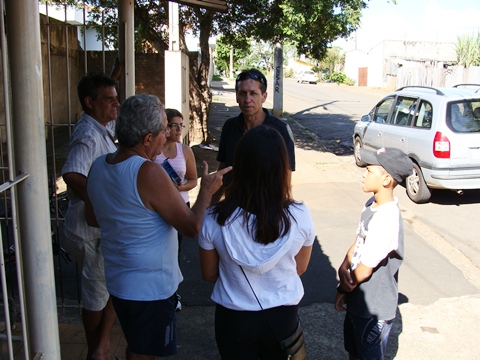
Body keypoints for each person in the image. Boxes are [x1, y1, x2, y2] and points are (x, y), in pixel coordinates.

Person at [85, 94, 231, 360]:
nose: (168, 135)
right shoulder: (149, 172)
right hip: (150, 291)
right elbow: (191, 227)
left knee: (136, 346)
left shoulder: (98, 167)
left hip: (118, 284)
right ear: (147, 139)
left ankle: (101, 347)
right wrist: (207, 190)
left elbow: (93, 218)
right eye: (164, 130)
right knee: (145, 354)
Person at [199, 125, 314, 359]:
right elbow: (299, 268)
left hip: (233, 317)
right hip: (282, 319)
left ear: (240, 165)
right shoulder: (300, 215)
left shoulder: (214, 217)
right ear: (282, 167)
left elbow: (209, 274)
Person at [335, 147, 413, 360]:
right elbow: (359, 241)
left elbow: (364, 270)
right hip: (358, 300)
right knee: (354, 351)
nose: (364, 174)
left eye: (369, 171)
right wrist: (344, 266)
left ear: (387, 179)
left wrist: (343, 287)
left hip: (374, 309)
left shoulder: (387, 218)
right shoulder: (371, 204)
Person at [62, 72, 120, 360]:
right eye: (108, 99)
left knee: (110, 287)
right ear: (89, 102)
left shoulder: (99, 128)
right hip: (89, 229)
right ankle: (96, 350)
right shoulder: (87, 134)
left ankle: (101, 346)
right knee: (97, 295)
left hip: (97, 227)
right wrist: (102, 204)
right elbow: (72, 173)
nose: (116, 104)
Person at [214, 68, 295, 202]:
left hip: (266, 209)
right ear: (236, 97)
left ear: (264, 97)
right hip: (233, 209)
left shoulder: (281, 130)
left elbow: (286, 175)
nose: (247, 99)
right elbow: (223, 169)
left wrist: (279, 212)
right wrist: (209, 208)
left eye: (253, 93)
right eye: (242, 93)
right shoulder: (230, 127)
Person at [154, 108, 198, 311]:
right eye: (174, 125)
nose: (179, 129)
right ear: (165, 128)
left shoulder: (185, 151)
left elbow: (192, 180)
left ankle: (173, 293)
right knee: (157, 249)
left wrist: (178, 188)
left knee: (175, 250)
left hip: (180, 205)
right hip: (157, 207)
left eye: (181, 125)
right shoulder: (154, 150)